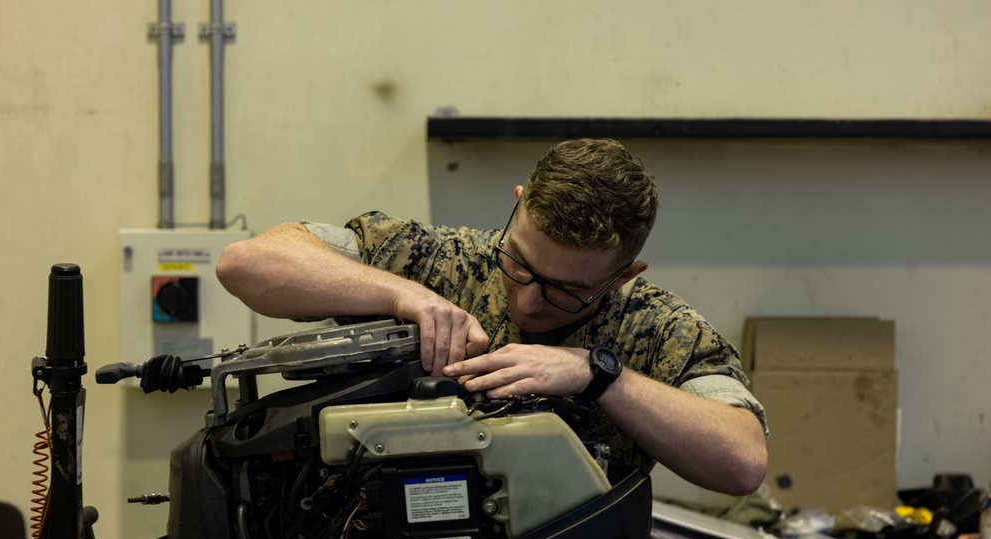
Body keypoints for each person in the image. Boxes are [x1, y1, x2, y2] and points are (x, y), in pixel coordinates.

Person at [216, 138, 767, 495]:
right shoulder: (439, 260)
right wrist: (404, 296)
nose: (528, 301)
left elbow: (741, 463)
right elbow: (247, 264)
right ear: (519, 204)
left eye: (567, 290)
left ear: (624, 274)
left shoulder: (659, 329)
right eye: (519, 264)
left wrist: (599, 375)